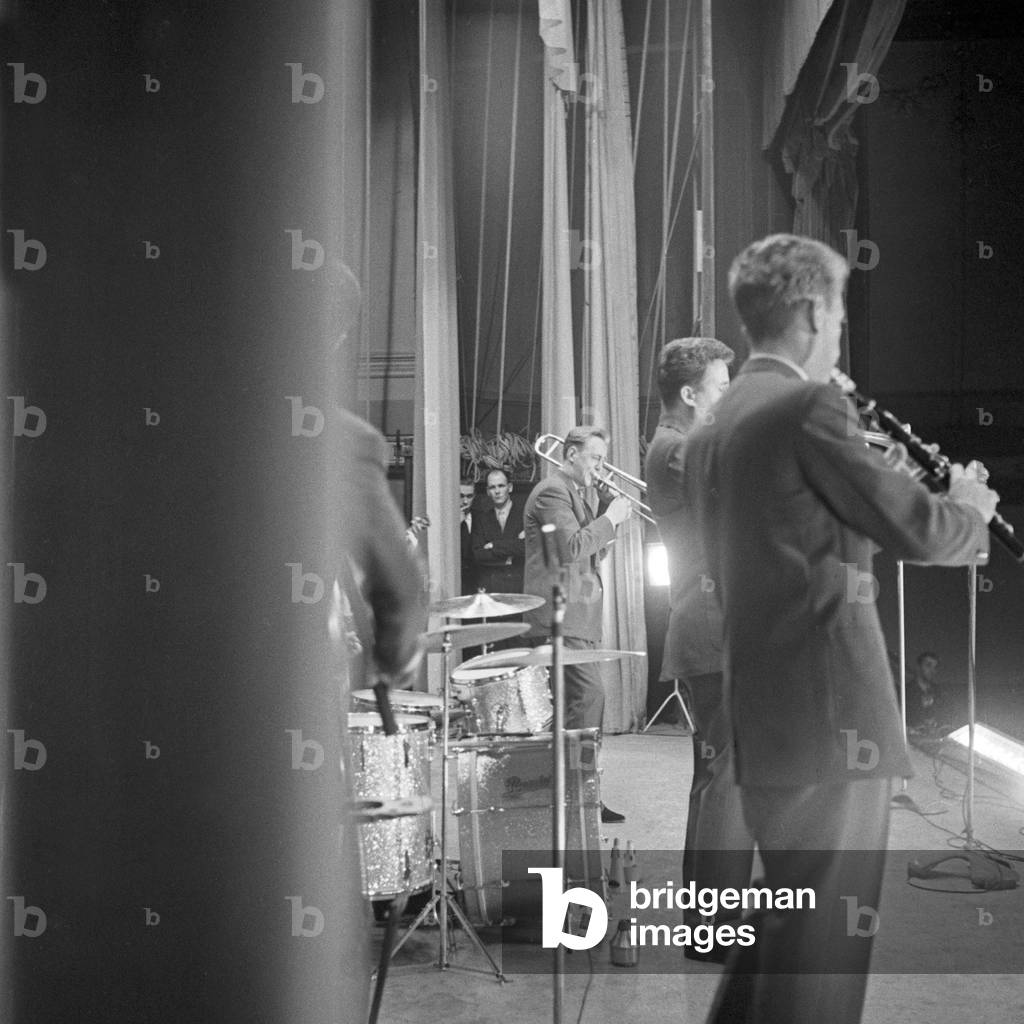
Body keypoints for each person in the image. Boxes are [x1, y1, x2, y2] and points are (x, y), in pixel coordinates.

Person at [679, 234, 998, 1024]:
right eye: (840, 310)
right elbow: (918, 531)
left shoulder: (713, 427)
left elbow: (797, 534)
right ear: (816, 310)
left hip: (767, 717)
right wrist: (970, 507)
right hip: (830, 722)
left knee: (787, 934)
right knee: (820, 958)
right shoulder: (806, 406)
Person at [644, 337, 755, 961]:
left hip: (707, 624)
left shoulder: (678, 446)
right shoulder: (681, 448)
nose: (727, 396)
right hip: (713, 626)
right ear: (690, 394)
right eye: (720, 386)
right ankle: (715, 930)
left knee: (714, 777)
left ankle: (705, 924)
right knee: (729, 779)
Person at [523, 425, 633, 824]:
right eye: (595, 458)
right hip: (560, 618)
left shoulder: (576, 495)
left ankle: (578, 794)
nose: (601, 468)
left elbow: (587, 552)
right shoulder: (554, 491)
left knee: (581, 707)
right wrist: (609, 518)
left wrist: (606, 528)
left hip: (578, 619)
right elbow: (570, 549)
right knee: (588, 700)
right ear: (569, 454)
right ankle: (574, 796)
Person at [472, 468, 526, 593]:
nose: (497, 491)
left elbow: (526, 547)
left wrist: (495, 545)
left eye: (501, 486)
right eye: (492, 487)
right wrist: (509, 556)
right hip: (490, 588)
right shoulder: (481, 518)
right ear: (487, 491)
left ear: (510, 487)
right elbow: (478, 554)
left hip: (518, 589)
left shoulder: (524, 515)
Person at [907, 650, 944, 736]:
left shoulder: (938, 692)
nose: (932, 670)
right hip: (914, 739)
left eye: (935, 667)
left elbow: (946, 713)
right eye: (928, 665)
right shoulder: (907, 692)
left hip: (936, 738)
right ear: (918, 667)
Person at [459, 477, 479, 595]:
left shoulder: (480, 518)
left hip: (475, 583)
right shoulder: (444, 520)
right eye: (461, 496)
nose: (465, 501)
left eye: (469, 496)